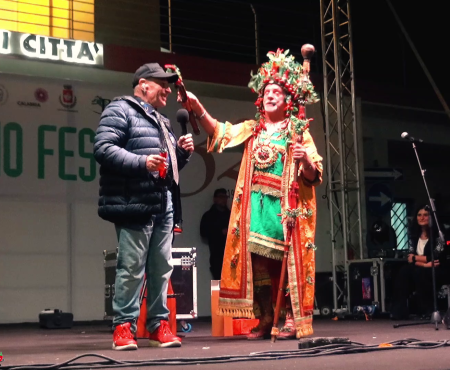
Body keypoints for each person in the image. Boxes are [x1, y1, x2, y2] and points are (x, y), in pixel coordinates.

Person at [181, 49, 322, 339]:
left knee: (288, 263)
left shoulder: (298, 131)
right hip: (255, 208)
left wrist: (304, 159)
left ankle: (293, 318)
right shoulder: (253, 129)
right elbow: (220, 132)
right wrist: (198, 109)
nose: (270, 95)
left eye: (277, 93)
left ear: (288, 101)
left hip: (285, 208)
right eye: (267, 91)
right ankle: (265, 317)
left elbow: (314, 174)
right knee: (258, 265)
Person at [94, 63, 194, 350]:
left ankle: (157, 325)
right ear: (143, 84)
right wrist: (142, 162)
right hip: (134, 203)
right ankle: (123, 327)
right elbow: (103, 148)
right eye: (162, 83)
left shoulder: (162, 120)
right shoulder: (120, 109)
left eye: (169, 84)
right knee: (131, 268)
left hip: (163, 204)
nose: (167, 89)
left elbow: (166, 167)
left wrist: (182, 155)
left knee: (162, 268)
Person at [390, 205, 448, 320]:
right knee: (403, 272)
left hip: (438, 268)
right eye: (419, 215)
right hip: (423, 266)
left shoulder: (439, 235)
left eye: (426, 215)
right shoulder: (414, 235)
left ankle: (427, 310)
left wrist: (418, 259)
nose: (422, 218)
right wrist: (424, 263)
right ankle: (399, 310)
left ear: (431, 217)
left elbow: (435, 256)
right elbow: (410, 258)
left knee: (420, 274)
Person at [200, 188, 231, 280]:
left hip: (232, 256)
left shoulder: (231, 215)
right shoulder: (208, 216)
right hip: (216, 257)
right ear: (215, 199)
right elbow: (203, 233)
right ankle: (216, 295)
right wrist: (220, 232)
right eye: (221, 197)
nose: (224, 199)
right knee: (217, 286)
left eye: (225, 197)